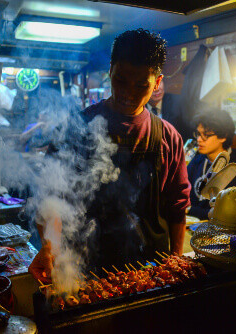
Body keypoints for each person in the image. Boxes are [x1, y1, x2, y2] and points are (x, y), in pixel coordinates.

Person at [29, 29, 191, 283]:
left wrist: (175, 259)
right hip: (86, 268)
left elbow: (177, 207)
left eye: (142, 85)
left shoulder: (168, 137)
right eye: (121, 80)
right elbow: (50, 196)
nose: (129, 92)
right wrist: (49, 248)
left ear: (157, 83)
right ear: (110, 72)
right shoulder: (77, 127)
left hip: (152, 274)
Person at [187, 109, 236, 220]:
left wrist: (189, 210)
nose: (199, 139)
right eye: (198, 134)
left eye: (205, 135)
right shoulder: (197, 160)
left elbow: (225, 214)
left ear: (223, 136)